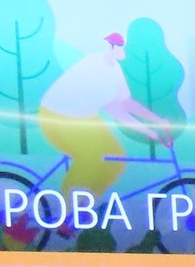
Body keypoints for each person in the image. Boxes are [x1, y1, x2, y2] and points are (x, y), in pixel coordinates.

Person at [35, 33, 170, 198]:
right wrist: (147, 131)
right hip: (57, 115)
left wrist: (157, 120)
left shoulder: (115, 68)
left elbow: (126, 102)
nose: (125, 51)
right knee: (90, 157)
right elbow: (115, 110)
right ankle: (67, 209)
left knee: (115, 159)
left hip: (83, 116)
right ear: (113, 47)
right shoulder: (95, 65)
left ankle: (88, 204)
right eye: (122, 47)